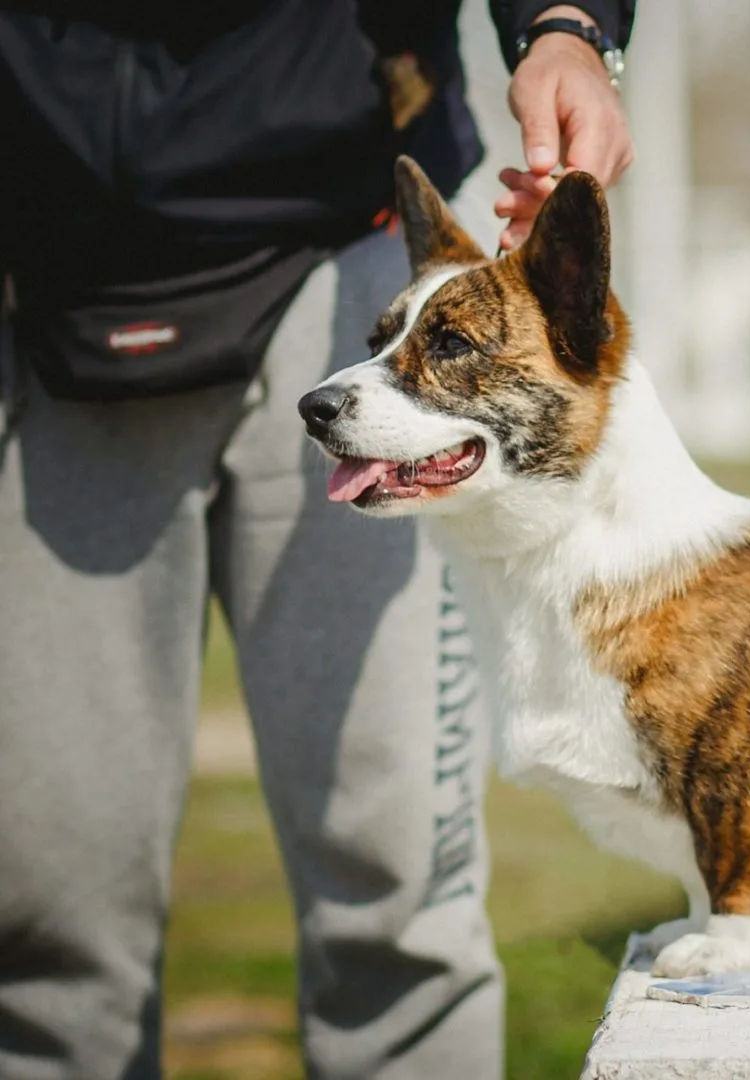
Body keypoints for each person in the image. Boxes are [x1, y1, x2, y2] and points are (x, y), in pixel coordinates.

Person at [0, 2, 634, 1076]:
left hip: (347, 248)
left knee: (396, 911)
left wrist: (564, 26)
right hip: (50, 272)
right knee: (54, 934)